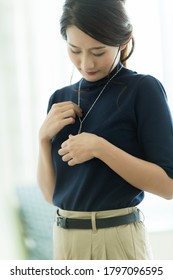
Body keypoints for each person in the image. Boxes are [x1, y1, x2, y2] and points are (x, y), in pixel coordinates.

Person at [37, 0, 173, 260]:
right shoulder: (59, 99)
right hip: (64, 240)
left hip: (117, 239)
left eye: (98, 51)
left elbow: (168, 186)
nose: (86, 63)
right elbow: (50, 195)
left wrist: (100, 148)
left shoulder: (142, 90)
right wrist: (43, 139)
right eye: (74, 49)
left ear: (122, 42)